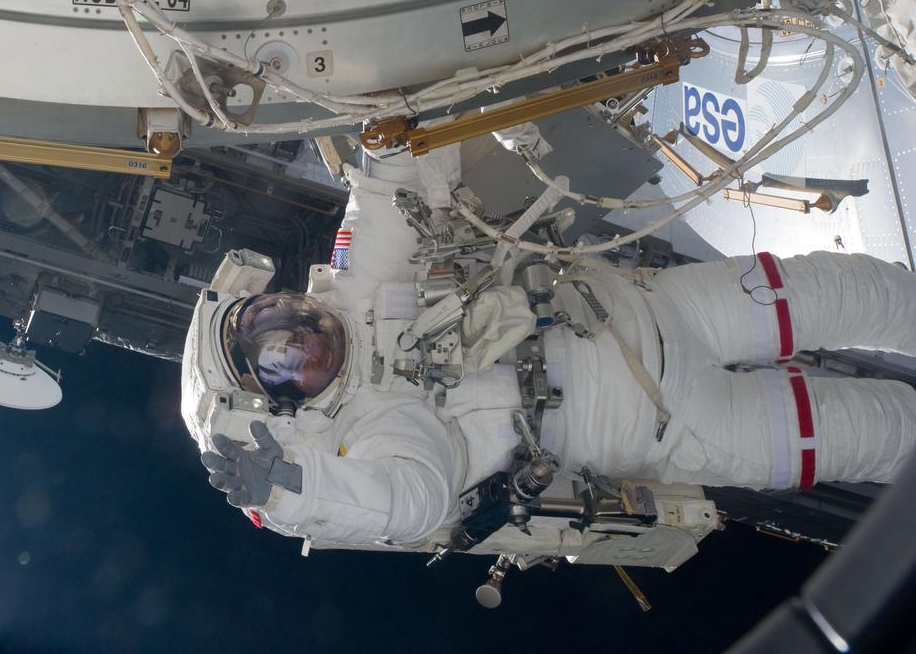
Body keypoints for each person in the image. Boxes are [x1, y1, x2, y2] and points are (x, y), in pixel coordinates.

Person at [180, 147, 916, 552]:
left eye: (274, 313)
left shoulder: (361, 289)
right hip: (677, 425)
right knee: (885, 436)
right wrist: (291, 485)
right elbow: (411, 500)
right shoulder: (373, 427)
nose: (300, 334)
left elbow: (391, 179)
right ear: (285, 406)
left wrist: (381, 124)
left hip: (664, 308)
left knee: (856, 290)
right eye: (278, 356)